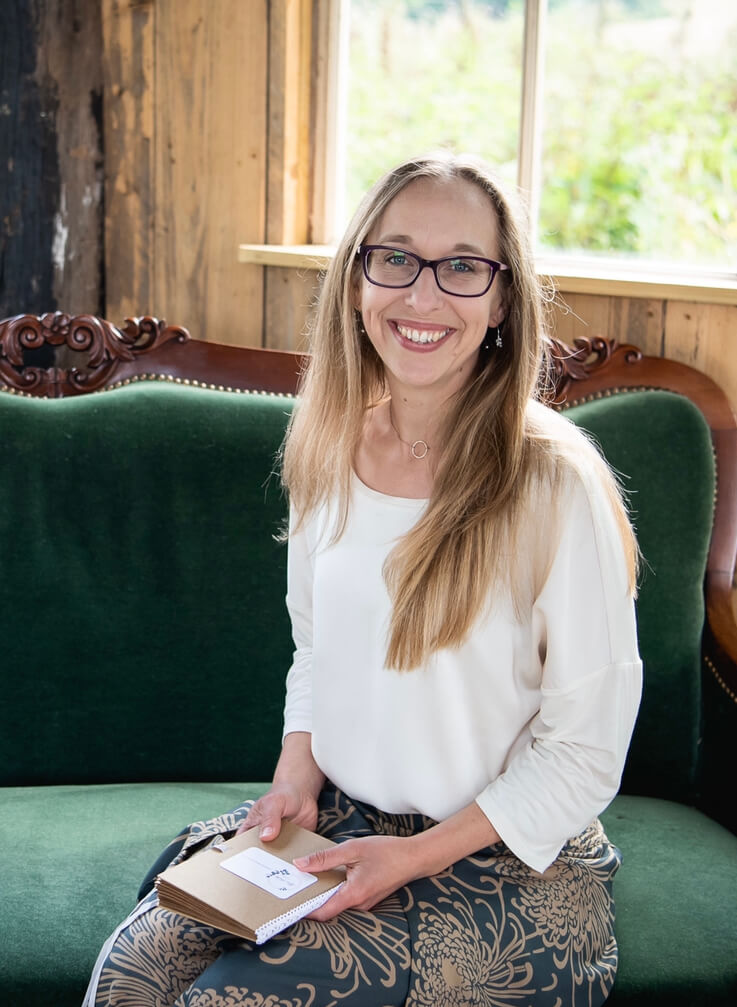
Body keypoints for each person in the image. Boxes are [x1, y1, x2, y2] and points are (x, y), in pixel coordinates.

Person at [84, 152, 642, 1007]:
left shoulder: (554, 480)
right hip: (340, 822)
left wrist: (411, 857)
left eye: (462, 267)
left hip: (504, 856)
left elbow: (585, 751)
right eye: (396, 259)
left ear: (501, 300)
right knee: (130, 977)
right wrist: (292, 777)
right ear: (355, 282)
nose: (422, 298)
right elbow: (317, 650)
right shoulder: (329, 444)